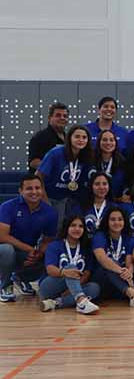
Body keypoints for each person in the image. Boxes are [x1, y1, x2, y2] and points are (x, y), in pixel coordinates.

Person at [0, 175, 58, 303]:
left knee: (50, 254)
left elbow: (48, 239)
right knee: (6, 250)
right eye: (29, 188)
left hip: (27, 253)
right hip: (6, 249)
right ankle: (5, 285)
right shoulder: (7, 206)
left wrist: (39, 254)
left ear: (42, 190)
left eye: (37, 188)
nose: (34, 192)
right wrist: (30, 249)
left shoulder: (50, 212)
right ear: (20, 191)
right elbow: (2, 236)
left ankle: (21, 278)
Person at [38, 215, 101, 314]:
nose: (77, 229)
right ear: (66, 227)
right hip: (51, 285)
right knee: (71, 268)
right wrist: (66, 272)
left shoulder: (86, 248)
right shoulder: (55, 245)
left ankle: (55, 303)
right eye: (73, 225)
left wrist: (73, 288)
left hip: (73, 289)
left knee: (94, 288)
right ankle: (81, 301)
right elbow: (50, 269)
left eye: (80, 226)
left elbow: (87, 273)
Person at [37, 125, 94, 220]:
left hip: (68, 199)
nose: (81, 140)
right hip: (50, 197)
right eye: (77, 137)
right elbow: (38, 176)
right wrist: (45, 200)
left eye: (84, 137)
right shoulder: (56, 153)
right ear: (69, 138)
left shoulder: (85, 156)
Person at [28, 102, 68, 170]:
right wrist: (54, 169)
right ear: (49, 118)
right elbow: (33, 162)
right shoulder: (39, 137)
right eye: (58, 115)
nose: (62, 118)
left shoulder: (69, 138)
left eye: (65, 116)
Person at [76, 172, 114, 238]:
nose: (101, 187)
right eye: (97, 184)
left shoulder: (114, 208)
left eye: (104, 184)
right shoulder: (80, 208)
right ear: (91, 186)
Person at [92, 129, 127, 198]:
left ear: (115, 143)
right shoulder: (91, 161)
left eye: (111, 140)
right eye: (104, 140)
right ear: (99, 142)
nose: (108, 143)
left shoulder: (123, 163)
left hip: (116, 203)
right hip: (94, 202)